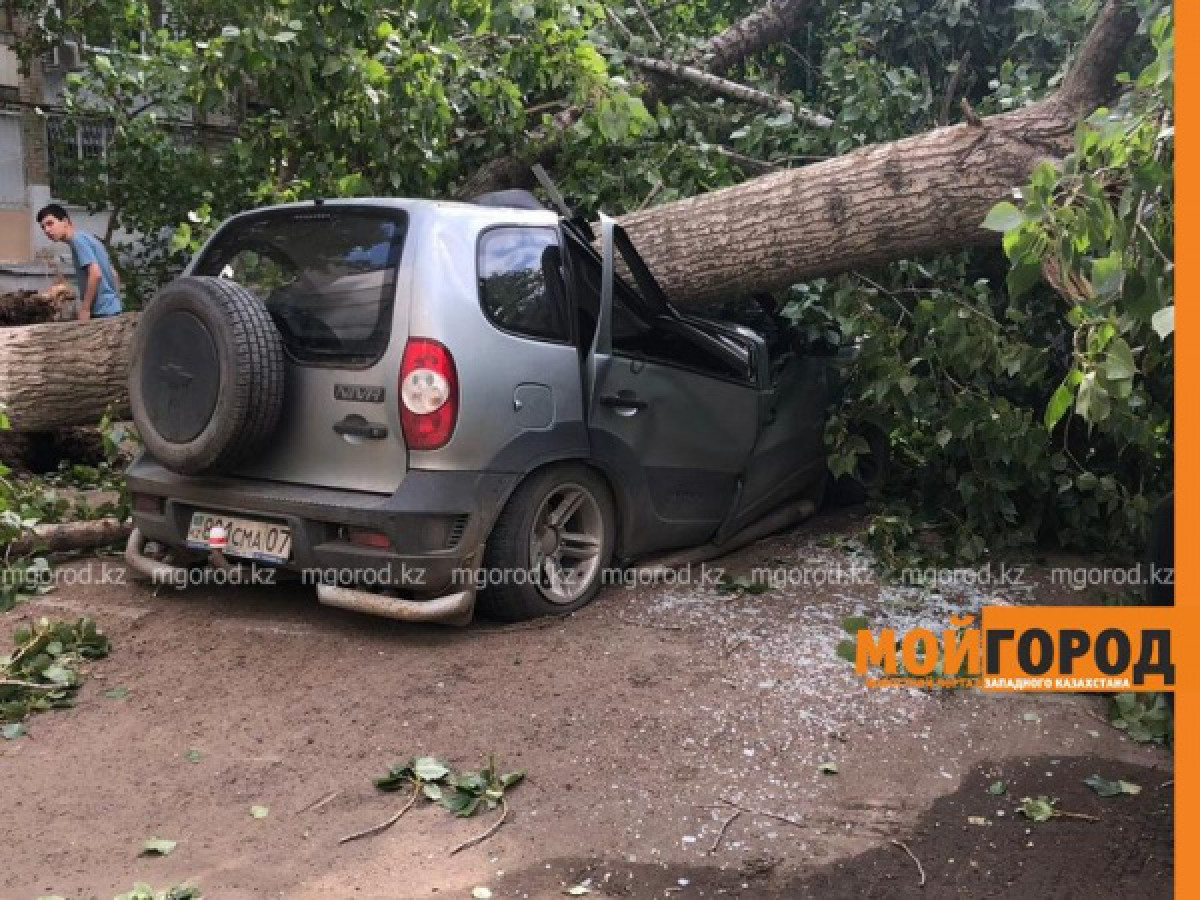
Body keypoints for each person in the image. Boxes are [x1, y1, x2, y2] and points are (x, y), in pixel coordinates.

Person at [35, 203, 122, 321]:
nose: (47, 230)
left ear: (65, 221)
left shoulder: (78, 241)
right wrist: (115, 302)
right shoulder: (86, 238)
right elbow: (114, 274)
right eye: (43, 227)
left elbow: (96, 274)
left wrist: (85, 309)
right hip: (112, 310)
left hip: (102, 313)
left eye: (50, 223)